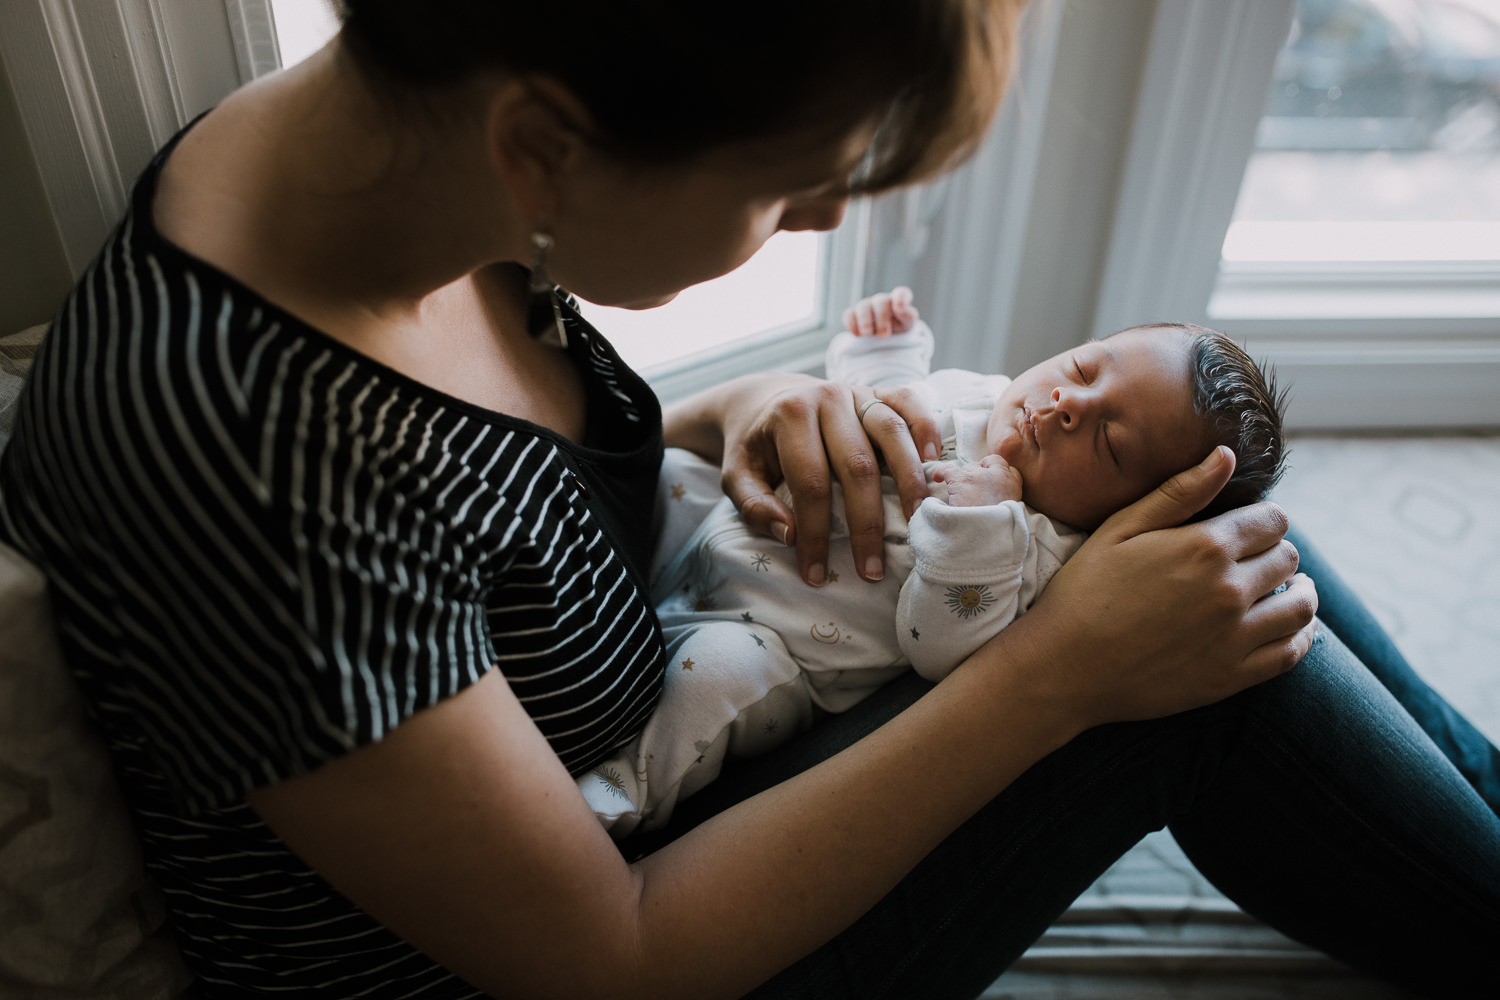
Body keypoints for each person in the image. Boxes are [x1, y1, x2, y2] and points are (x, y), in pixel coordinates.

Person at [0, 1, 1494, 997]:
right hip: (603, 940)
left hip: (657, 754)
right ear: (545, 146)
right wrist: (1059, 678)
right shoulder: (257, 472)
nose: (834, 215)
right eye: (793, 185)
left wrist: (740, 412)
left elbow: (495, 500)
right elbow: (609, 960)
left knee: (1195, 536)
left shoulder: (407, 135)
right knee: (1190, 657)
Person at [580, 287, 1289, 835]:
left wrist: (976, 528)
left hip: (768, 635)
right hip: (725, 521)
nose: (1068, 403)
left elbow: (938, 648)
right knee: (673, 470)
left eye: (1109, 443)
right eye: (1083, 367)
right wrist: (879, 351)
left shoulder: (1045, 555)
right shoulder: (989, 396)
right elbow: (891, 403)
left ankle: (623, 790)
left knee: (717, 682)